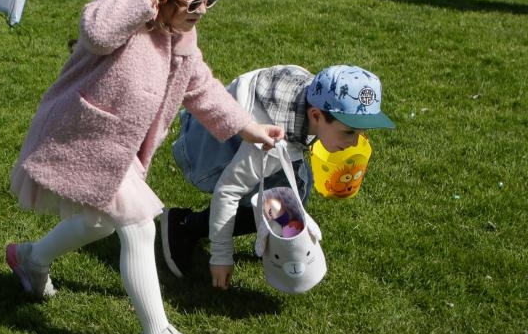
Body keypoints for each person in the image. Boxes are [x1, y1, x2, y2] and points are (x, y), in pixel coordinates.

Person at [5, 0, 283, 334]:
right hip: (80, 138)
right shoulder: (119, 3)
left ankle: (30, 259)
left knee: (97, 223)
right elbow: (97, 32)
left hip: (115, 149)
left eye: (210, 1)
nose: (202, 12)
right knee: (137, 225)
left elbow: (201, 86)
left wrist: (247, 127)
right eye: (193, 2)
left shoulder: (179, 35)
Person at [162, 64, 394, 286]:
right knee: (275, 206)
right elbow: (228, 190)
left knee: (299, 189)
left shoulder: (310, 90)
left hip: (235, 134)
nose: (354, 143)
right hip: (207, 153)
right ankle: (183, 225)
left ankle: (269, 236)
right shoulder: (270, 143)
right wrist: (221, 256)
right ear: (316, 116)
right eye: (349, 132)